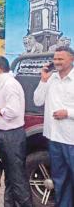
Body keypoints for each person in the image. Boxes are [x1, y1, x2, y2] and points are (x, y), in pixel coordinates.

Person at [0, 56, 32, 207]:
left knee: (17, 180)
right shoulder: (4, 84)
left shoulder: (10, 85)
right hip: (6, 135)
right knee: (10, 178)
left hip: (12, 137)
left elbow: (12, 112)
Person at [34, 46, 74, 206]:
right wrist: (43, 80)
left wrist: (68, 113)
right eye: (55, 59)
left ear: (71, 59)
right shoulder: (50, 79)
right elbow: (37, 101)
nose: (56, 62)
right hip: (54, 138)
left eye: (60, 59)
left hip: (72, 140)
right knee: (59, 180)